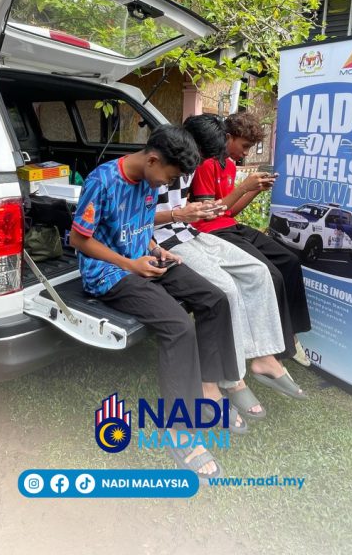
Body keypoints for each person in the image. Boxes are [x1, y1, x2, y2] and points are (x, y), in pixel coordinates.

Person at [68, 125, 241, 480]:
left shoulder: (150, 181)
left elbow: (140, 227)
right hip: (109, 273)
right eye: (170, 177)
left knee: (215, 299)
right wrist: (129, 264)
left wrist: (158, 250)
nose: (168, 185)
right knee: (179, 328)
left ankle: (208, 390)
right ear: (152, 160)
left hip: (144, 261)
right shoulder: (102, 181)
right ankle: (179, 431)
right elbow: (78, 239)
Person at [155, 151, 303, 419]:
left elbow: (213, 210)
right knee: (226, 288)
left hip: (191, 233)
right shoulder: (158, 168)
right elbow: (136, 219)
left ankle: (264, 356)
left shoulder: (194, 164)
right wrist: (180, 214)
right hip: (166, 240)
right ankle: (233, 379)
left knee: (259, 273)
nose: (206, 162)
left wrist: (195, 211)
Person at [184, 113, 314, 395]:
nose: (245, 153)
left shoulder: (229, 165)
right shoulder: (206, 164)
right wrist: (244, 187)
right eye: (244, 146)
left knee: (290, 262)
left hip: (230, 226)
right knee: (270, 274)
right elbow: (209, 213)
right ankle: (274, 351)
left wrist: (254, 191)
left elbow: (230, 211)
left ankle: (290, 336)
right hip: (210, 230)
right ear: (227, 138)